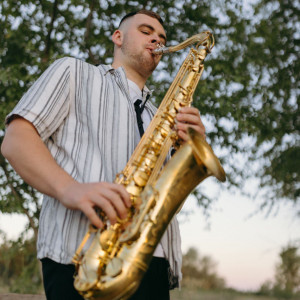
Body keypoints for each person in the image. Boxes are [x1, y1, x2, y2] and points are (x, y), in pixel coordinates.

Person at [1, 10, 205, 300]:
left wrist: (188, 152)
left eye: (161, 37)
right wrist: (69, 188)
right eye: (146, 31)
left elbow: (165, 199)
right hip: (83, 257)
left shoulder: (163, 116)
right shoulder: (74, 72)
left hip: (152, 261)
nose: (157, 40)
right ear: (117, 37)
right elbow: (16, 140)